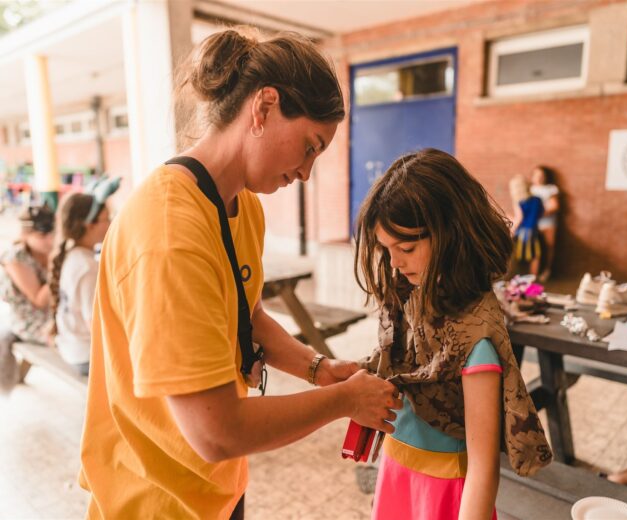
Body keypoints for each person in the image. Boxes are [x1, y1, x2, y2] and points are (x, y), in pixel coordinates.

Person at [78, 28, 401, 519]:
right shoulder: (169, 233)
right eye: (311, 146)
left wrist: (318, 369)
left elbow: (243, 316)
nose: (307, 172)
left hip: (212, 490)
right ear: (264, 107)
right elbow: (216, 431)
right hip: (155, 499)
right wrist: (342, 401)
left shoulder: (241, 204)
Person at [354, 149, 552, 520]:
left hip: (446, 493)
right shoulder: (412, 304)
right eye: (387, 250)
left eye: (407, 248)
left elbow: (482, 468)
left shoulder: (476, 343)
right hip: (398, 472)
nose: (395, 263)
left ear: (449, 236)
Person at [49, 178, 119, 376]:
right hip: (85, 356)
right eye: (107, 218)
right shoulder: (87, 267)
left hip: (71, 348)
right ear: (90, 225)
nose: (111, 223)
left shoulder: (73, 254)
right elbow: (96, 327)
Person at [0, 204, 54, 344]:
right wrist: (57, 269)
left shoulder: (48, 251)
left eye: (52, 233)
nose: (50, 239)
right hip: (30, 321)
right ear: (26, 234)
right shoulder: (16, 258)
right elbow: (39, 301)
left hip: (53, 316)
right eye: (42, 236)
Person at [509, 174, 544, 278]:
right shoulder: (537, 199)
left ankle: (517, 278)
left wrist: (512, 228)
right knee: (535, 256)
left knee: (518, 256)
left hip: (522, 232)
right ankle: (533, 278)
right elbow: (541, 213)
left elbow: (519, 218)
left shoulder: (519, 202)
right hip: (534, 230)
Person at [530, 165, 559, 282]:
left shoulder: (551, 189)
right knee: (535, 248)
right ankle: (533, 273)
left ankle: (546, 270)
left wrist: (537, 213)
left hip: (548, 223)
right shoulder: (530, 189)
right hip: (533, 223)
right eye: (536, 175)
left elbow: (554, 206)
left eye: (541, 175)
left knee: (548, 246)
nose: (539, 178)